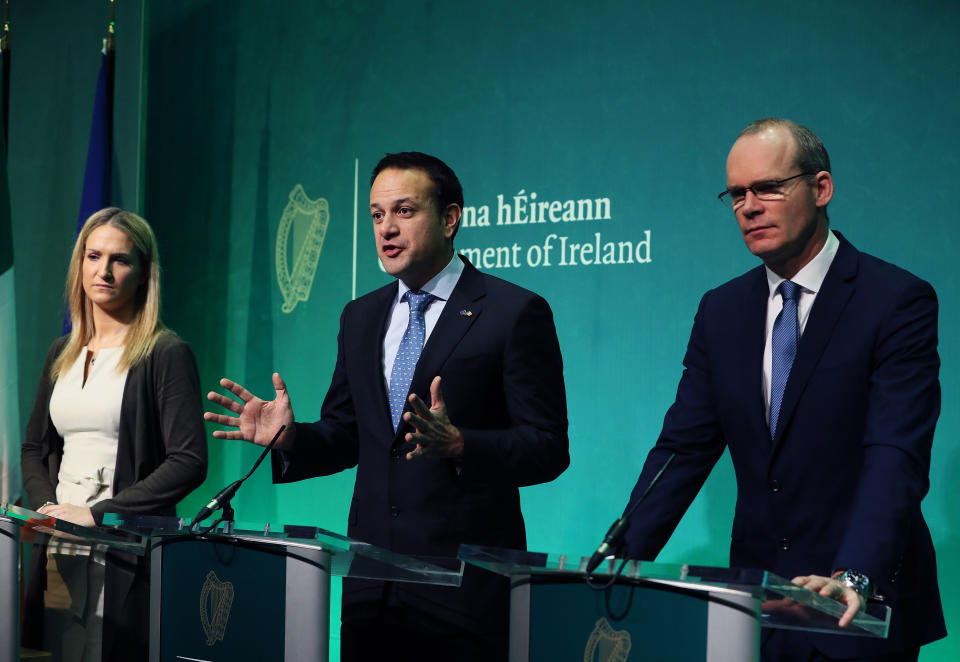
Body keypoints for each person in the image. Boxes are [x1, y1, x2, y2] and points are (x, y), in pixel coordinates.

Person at [205, 152, 569, 661]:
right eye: (377, 215)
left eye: (404, 211)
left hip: (463, 591)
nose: (386, 229)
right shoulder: (361, 316)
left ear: (450, 218)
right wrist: (290, 438)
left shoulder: (512, 312)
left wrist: (462, 444)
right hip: (371, 591)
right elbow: (348, 433)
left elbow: (548, 447)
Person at [623, 119, 945, 662]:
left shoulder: (895, 299)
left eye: (768, 187)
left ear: (821, 188)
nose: (749, 206)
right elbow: (681, 451)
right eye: (737, 194)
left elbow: (896, 455)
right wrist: (616, 561)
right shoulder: (721, 310)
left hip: (857, 606)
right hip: (758, 608)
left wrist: (855, 574)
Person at [21, 207, 208, 661]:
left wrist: (100, 514)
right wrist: (48, 508)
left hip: (123, 550)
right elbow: (35, 447)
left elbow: (188, 462)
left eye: (120, 260)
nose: (103, 271)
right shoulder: (60, 352)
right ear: (79, 264)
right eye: (93, 256)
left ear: (144, 273)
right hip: (58, 546)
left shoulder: (165, 352)